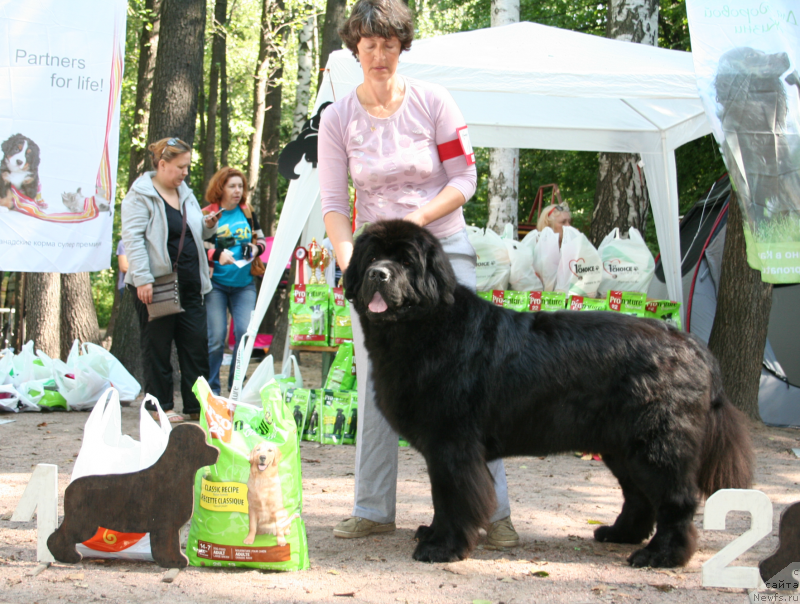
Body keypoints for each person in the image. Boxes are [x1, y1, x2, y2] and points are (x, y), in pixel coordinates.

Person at [318, 0, 519, 548]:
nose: (379, 55)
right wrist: (350, 263)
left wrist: (415, 220)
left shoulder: (434, 101)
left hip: (441, 253)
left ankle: (494, 514)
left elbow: (466, 177)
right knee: (379, 384)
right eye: (369, 45)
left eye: (389, 45)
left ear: (402, 48)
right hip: (376, 267)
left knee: (470, 384)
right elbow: (335, 202)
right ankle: (372, 508)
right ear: (354, 48)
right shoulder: (337, 118)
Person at [121, 137, 218, 423]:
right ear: (162, 165)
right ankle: (159, 406)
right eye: (180, 167)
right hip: (156, 285)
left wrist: (208, 225)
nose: (185, 172)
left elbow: (195, 233)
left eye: (187, 167)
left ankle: (196, 405)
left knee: (195, 345)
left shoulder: (185, 193)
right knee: (158, 347)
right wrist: (142, 279)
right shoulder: (140, 195)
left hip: (190, 284)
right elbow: (134, 240)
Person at [202, 167, 265, 395]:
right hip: (215, 284)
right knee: (216, 339)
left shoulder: (247, 211)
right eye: (233, 186)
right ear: (221, 188)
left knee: (243, 333)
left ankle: (236, 386)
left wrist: (255, 249)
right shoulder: (209, 214)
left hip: (244, 284)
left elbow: (262, 240)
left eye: (241, 186)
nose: (238, 191)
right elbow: (197, 246)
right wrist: (216, 255)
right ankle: (212, 390)